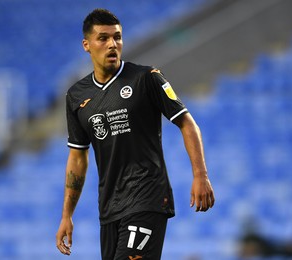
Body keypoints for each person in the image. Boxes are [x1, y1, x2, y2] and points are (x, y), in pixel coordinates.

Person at [55, 8, 215, 260]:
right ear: (87, 45)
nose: (112, 44)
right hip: (109, 208)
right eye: (103, 38)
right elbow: (77, 157)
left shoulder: (146, 78)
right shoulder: (76, 95)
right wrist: (67, 215)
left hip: (147, 197)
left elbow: (187, 123)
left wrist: (201, 175)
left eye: (117, 37)